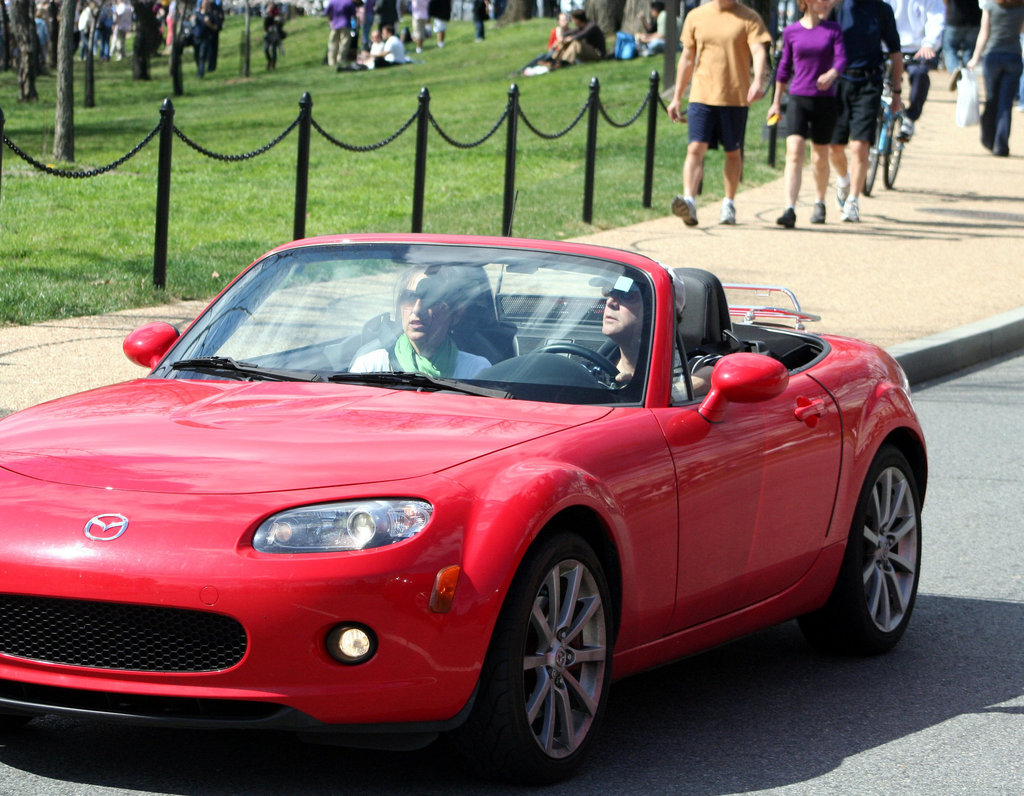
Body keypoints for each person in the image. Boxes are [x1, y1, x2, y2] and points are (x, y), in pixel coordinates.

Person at [666, 0, 771, 227]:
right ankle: (689, 201)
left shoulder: (749, 17)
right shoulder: (696, 16)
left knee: (733, 152)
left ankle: (729, 203)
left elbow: (758, 50)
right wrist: (677, 96)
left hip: (734, 95)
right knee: (695, 148)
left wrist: (758, 81)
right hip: (701, 95)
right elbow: (686, 57)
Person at [766, 0, 846, 228]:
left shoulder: (833, 30)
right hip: (799, 98)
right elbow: (783, 68)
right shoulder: (792, 32)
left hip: (824, 101)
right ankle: (789, 208)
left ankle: (820, 201)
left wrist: (831, 74)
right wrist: (776, 102)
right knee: (794, 152)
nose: (827, 2)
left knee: (820, 155)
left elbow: (841, 59)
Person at [827, 0, 903, 223]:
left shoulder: (881, 10)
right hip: (838, 82)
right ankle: (843, 181)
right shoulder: (836, 8)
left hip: (869, 83)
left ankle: (853, 201)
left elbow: (895, 53)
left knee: (860, 145)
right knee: (834, 146)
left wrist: (897, 91)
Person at [349, 268, 491, 379]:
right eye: (410, 297)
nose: (417, 310)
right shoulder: (369, 367)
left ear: (456, 314)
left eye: (431, 299)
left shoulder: (476, 372)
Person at [967, 0, 1024, 156]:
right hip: (1014, 57)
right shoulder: (1021, 7)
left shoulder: (990, 6)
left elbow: (984, 33)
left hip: (993, 56)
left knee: (992, 99)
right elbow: (1022, 31)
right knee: (1006, 103)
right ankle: (1001, 145)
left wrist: (975, 57)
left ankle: (988, 138)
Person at [883, 0, 945, 139]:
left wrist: (929, 44)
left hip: (915, 49)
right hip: (887, 47)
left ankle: (910, 117)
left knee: (920, 74)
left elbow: (937, 20)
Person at [943, 0, 983, 87]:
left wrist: (946, 9)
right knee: (969, 52)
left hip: (954, 18)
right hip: (975, 19)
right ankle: (967, 78)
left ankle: (955, 71)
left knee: (949, 49)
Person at [325, 0, 359, 69]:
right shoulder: (348, 2)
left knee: (333, 43)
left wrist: (330, 21)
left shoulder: (333, 1)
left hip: (334, 25)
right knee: (344, 43)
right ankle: (341, 59)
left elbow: (327, 12)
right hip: (345, 24)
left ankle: (331, 61)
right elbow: (354, 14)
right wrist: (355, 25)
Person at [263, 2, 285, 69]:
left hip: (275, 33)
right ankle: (269, 61)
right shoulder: (267, 14)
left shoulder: (277, 14)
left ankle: (273, 64)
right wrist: (267, 14)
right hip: (269, 33)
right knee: (265, 49)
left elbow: (281, 23)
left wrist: (277, 20)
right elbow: (265, 25)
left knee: (274, 49)